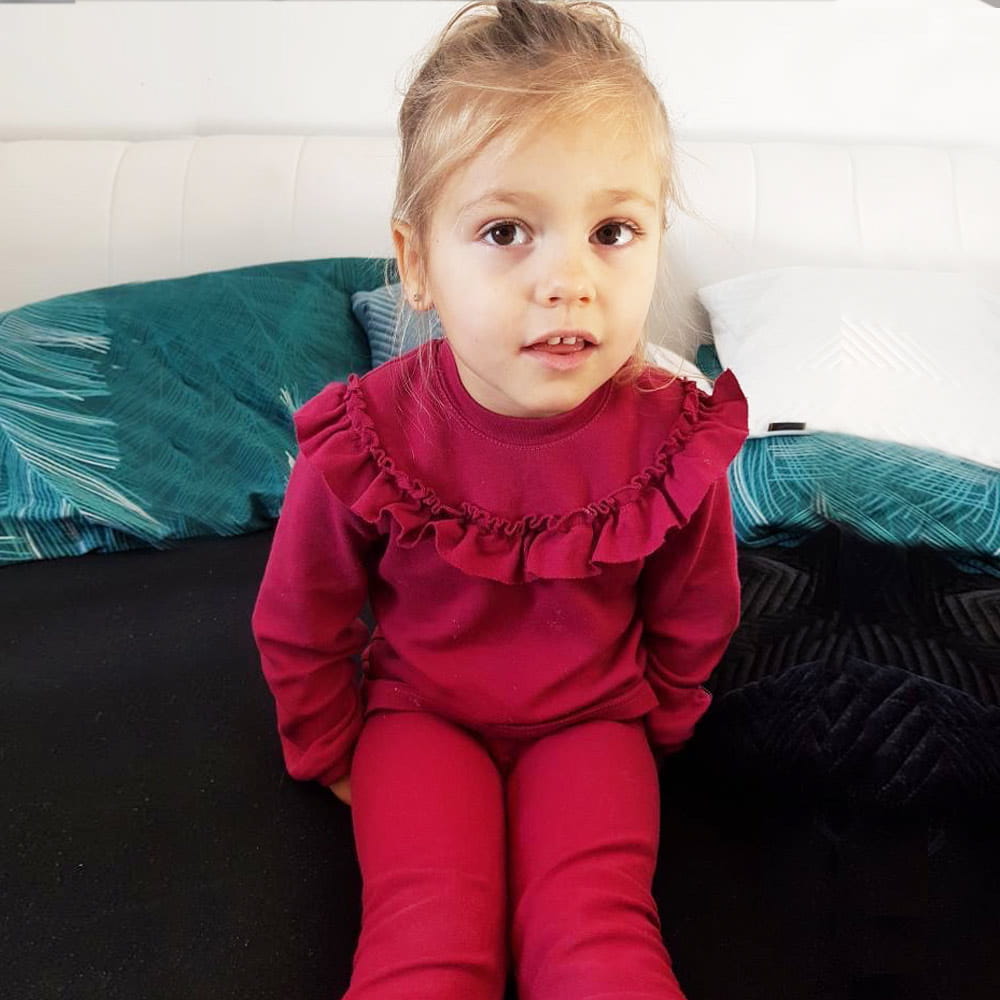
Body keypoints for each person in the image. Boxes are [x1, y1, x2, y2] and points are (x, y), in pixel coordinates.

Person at [251, 1, 748, 997]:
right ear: (417, 263)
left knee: (597, 933)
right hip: (418, 719)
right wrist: (328, 745)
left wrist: (664, 720)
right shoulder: (367, 436)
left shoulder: (672, 438)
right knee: (428, 934)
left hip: (593, 725)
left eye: (612, 231)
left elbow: (696, 609)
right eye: (506, 231)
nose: (567, 279)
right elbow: (301, 615)